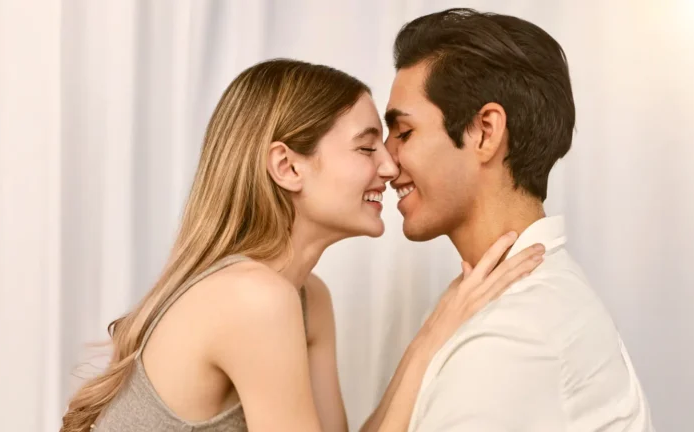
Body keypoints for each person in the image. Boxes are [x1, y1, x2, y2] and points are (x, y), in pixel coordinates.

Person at [60, 59, 545, 432]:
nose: (390, 168)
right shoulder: (252, 298)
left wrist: (435, 330)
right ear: (288, 167)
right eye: (365, 146)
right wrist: (435, 334)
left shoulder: (306, 297)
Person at [379, 8, 655, 431]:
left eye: (403, 133)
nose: (384, 161)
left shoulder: (513, 334)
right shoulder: (507, 306)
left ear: (485, 132)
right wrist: (425, 343)